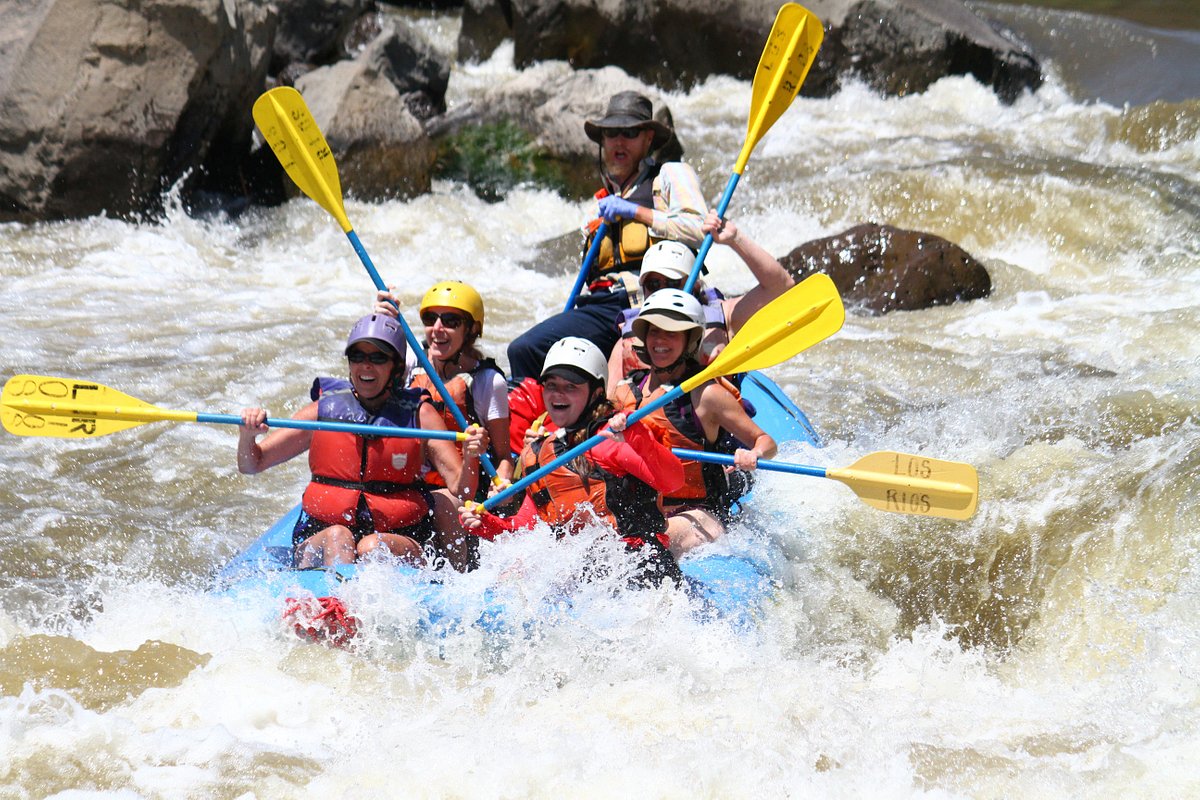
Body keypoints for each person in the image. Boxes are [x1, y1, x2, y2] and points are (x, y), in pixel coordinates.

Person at [237, 314, 488, 571]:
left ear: (396, 368)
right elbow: (252, 464)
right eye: (358, 357)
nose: (366, 365)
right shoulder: (324, 411)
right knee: (339, 537)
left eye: (377, 357)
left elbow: (463, 489)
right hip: (324, 534)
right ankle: (335, 605)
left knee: (372, 547)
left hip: (396, 535)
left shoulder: (420, 415)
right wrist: (247, 435)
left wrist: (472, 455)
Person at [506, 91, 708, 382]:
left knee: (525, 349)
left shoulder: (669, 175)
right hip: (600, 306)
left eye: (629, 132)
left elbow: (700, 229)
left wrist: (636, 212)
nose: (618, 142)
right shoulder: (599, 205)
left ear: (648, 138)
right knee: (546, 359)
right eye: (611, 134)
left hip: (642, 299)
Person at [459, 337, 687, 587]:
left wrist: (638, 436)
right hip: (588, 573)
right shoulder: (537, 454)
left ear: (596, 393)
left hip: (639, 566)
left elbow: (673, 482)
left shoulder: (612, 440)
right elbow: (526, 528)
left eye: (571, 387)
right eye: (552, 384)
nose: (558, 394)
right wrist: (487, 525)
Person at [612, 290, 777, 558]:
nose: (660, 341)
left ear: (690, 340)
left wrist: (754, 453)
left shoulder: (706, 395)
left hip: (699, 513)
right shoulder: (626, 391)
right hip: (647, 509)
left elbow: (765, 442)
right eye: (654, 332)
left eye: (671, 333)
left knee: (647, 543)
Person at [607, 210, 797, 391]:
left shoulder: (724, 316)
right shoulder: (626, 339)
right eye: (654, 283)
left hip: (714, 417)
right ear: (644, 290)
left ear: (696, 286)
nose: (663, 290)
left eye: (673, 282)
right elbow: (610, 402)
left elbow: (782, 287)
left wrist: (735, 239)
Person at [374, 281, 514, 489]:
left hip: (458, 486)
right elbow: (368, 371)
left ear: (471, 329)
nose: (437, 328)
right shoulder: (410, 360)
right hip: (404, 477)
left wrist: (502, 483)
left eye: (451, 321)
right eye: (430, 319)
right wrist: (380, 322)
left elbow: (503, 456)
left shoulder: (488, 382)